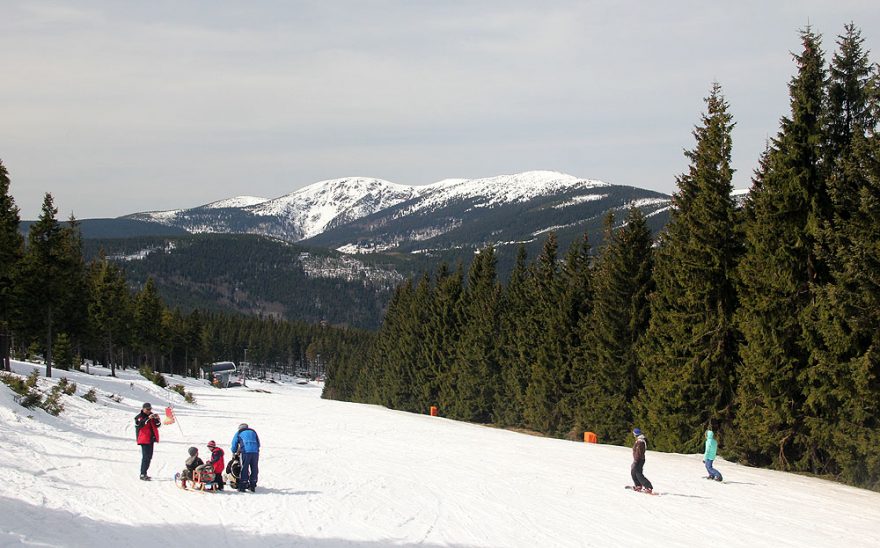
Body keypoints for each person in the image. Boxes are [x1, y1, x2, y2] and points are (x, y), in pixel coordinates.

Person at [134, 402, 161, 480]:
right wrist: (148, 418)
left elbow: (158, 425)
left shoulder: (151, 415)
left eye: (150, 409)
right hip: (143, 439)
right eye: (147, 409)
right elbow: (141, 424)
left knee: (149, 457)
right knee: (145, 457)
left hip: (151, 439)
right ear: (143, 409)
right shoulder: (139, 417)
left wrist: (157, 419)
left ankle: (145, 473)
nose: (149, 410)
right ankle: (142, 474)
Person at [231, 423, 260, 492]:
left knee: (244, 467)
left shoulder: (239, 432)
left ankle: (243, 486)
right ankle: (253, 485)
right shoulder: (253, 432)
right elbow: (258, 443)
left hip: (246, 452)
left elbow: (234, 443)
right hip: (255, 452)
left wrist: (234, 451)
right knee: (254, 467)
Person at [631, 427, 653, 493]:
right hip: (638, 459)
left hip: (639, 459)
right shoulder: (639, 440)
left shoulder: (640, 441)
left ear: (636, 434)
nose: (633, 435)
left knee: (638, 473)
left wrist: (635, 461)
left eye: (634, 433)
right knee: (633, 472)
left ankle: (648, 487)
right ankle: (638, 485)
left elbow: (638, 452)